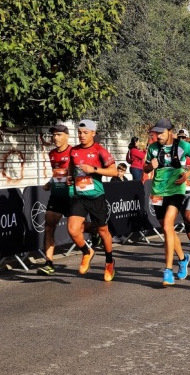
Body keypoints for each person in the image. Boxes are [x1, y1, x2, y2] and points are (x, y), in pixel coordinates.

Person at [143, 119, 190, 286]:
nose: (158, 136)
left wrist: (188, 174)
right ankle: (183, 259)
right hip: (158, 192)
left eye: (161, 132)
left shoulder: (183, 146)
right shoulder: (153, 148)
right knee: (167, 229)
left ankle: (168, 270)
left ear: (170, 131)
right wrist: (150, 166)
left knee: (168, 226)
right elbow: (145, 168)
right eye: (156, 133)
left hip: (176, 191)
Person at [67, 120, 118, 281]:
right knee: (73, 229)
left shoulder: (99, 150)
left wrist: (94, 170)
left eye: (85, 133)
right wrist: (70, 178)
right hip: (79, 197)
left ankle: (109, 261)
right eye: (80, 133)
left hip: (96, 197)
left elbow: (114, 172)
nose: (81, 136)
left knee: (103, 232)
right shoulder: (73, 151)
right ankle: (87, 252)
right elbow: (71, 169)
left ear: (93, 133)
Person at [38, 123, 74, 275]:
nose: (55, 138)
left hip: (73, 195)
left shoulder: (74, 151)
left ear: (67, 136)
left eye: (59, 135)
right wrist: (49, 183)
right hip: (57, 195)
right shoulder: (52, 154)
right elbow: (57, 173)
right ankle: (49, 263)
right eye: (53, 135)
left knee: (74, 229)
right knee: (49, 226)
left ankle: (94, 230)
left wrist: (73, 179)